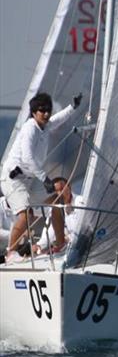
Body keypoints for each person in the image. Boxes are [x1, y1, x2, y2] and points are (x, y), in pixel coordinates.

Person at [0, 92, 82, 260]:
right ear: (33, 112)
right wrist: (45, 180)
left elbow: (58, 120)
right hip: (13, 178)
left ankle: (60, 245)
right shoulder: (30, 128)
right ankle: (11, 253)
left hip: (30, 178)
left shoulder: (44, 126)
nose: (46, 113)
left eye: (48, 110)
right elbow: (27, 158)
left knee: (56, 202)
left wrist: (72, 107)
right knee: (27, 214)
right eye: (42, 110)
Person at [34, 177, 84, 253]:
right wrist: (40, 245)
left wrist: (68, 238)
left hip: (82, 244)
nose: (62, 192)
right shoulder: (55, 207)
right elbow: (50, 230)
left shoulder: (80, 201)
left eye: (63, 188)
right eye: (58, 190)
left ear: (69, 187)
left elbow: (83, 227)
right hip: (65, 247)